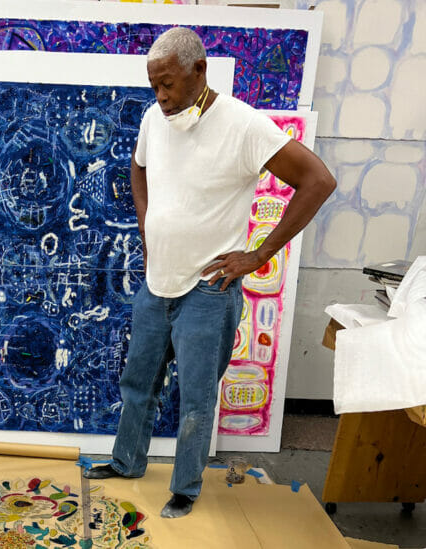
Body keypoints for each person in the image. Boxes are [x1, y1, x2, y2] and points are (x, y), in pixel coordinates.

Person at [83, 27, 336, 519]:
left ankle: (186, 488)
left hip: (208, 289)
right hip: (157, 284)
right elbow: (138, 168)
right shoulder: (154, 120)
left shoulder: (244, 125)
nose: (161, 97)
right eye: (154, 86)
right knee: (138, 383)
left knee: (196, 397)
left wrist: (257, 256)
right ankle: (127, 461)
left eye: (169, 85)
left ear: (201, 71)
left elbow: (318, 180)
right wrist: (147, 224)